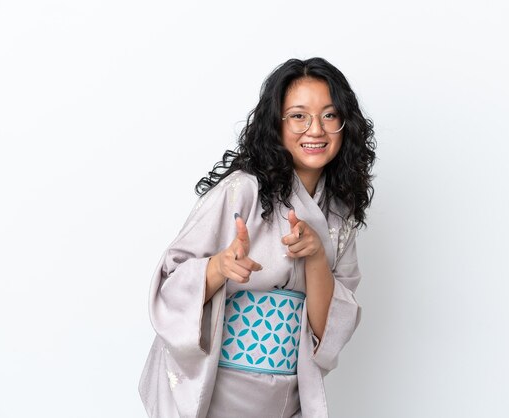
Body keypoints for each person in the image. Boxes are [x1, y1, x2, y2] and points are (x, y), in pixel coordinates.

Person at [139, 57, 376, 418]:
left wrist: (315, 257)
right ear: (276, 124)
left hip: (286, 394)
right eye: (298, 116)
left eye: (329, 115)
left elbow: (326, 330)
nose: (315, 129)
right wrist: (218, 267)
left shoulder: (339, 214)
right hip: (219, 388)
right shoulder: (242, 190)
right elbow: (168, 286)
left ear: (346, 126)